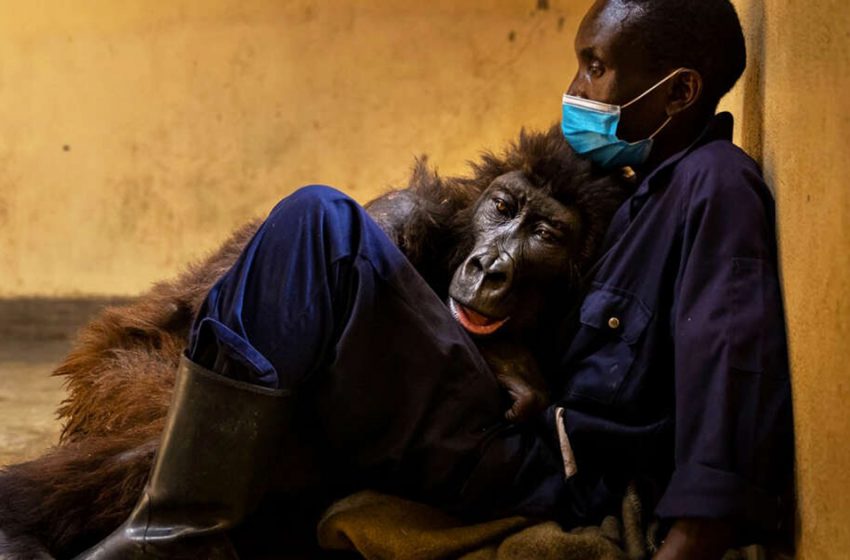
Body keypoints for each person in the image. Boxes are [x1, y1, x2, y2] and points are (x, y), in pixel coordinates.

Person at [74, 1, 794, 559]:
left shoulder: (713, 185)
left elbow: (729, 360)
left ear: (678, 94)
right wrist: (504, 356)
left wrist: (694, 536)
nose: (577, 87)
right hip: (512, 427)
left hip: (547, 473)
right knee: (322, 239)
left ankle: (174, 533)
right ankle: (177, 522)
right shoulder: (638, 188)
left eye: (596, 66)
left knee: (321, 225)